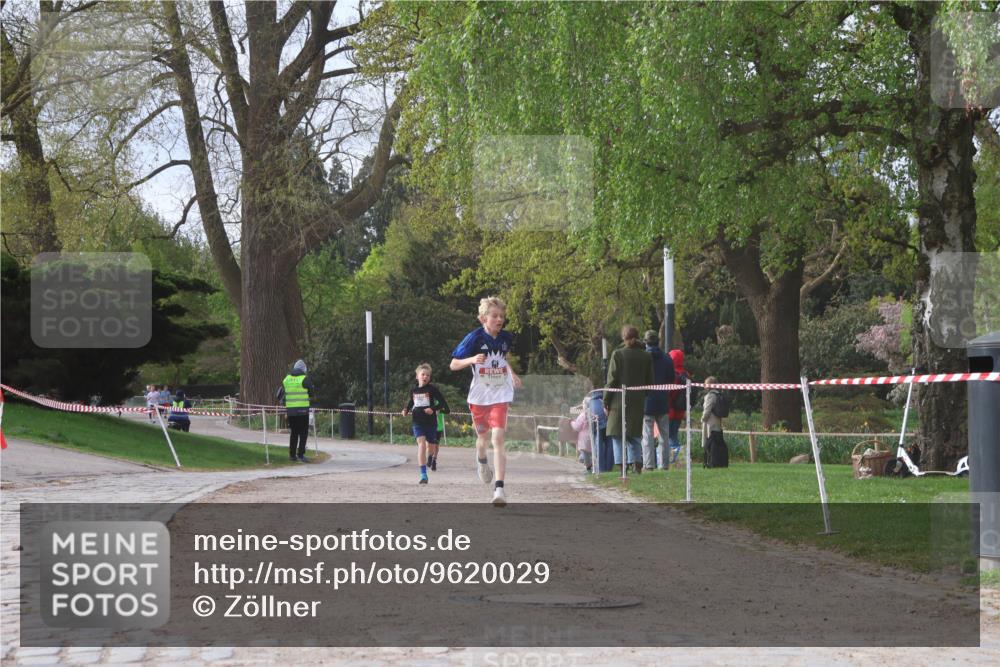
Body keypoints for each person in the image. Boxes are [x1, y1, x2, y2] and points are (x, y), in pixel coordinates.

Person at [450, 296, 523, 507]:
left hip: (500, 395)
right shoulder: (473, 338)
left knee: (498, 438)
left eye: (502, 316)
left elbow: (500, 359)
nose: (499, 320)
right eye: (495, 316)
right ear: (483, 318)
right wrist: (472, 359)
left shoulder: (506, 338)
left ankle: (499, 488)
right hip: (480, 397)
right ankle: (481, 460)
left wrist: (511, 373)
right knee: (482, 438)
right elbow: (453, 364)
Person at [604, 325, 653, 473]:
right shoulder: (646, 356)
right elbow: (650, 381)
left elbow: (612, 380)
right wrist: (642, 395)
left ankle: (621, 467)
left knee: (617, 435)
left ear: (623, 338)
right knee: (634, 435)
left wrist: (606, 401)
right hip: (638, 400)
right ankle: (637, 465)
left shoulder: (618, 354)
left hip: (618, 400)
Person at [402, 363, 449, 484]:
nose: (425, 377)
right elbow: (411, 403)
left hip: (431, 423)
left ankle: (430, 457)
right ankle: (423, 475)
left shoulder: (432, 389)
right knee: (421, 445)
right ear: (417, 376)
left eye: (428, 375)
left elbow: (442, 403)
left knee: (431, 447)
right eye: (423, 374)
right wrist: (406, 410)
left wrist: (432, 409)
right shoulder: (414, 390)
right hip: (417, 421)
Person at [641, 330, 675, 471]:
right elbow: (671, 378)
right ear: (658, 341)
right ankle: (664, 464)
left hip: (647, 401)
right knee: (664, 435)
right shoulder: (667, 358)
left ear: (645, 342)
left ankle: (649, 464)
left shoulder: (642, 358)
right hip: (662, 400)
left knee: (647, 435)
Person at [275, 359, 315, 462]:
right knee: (303, 433)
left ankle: (292, 455)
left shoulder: (286, 379)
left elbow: (280, 394)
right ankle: (301, 455)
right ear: (304, 369)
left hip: (291, 411)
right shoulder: (304, 379)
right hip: (302, 410)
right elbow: (311, 393)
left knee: (294, 432)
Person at [667, 349, 692, 464]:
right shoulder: (686, 374)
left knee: (670, 436)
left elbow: (670, 392)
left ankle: (675, 458)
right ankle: (675, 458)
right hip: (680, 411)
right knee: (674, 434)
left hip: (670, 409)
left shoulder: (673, 374)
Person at [701, 376, 729, 468]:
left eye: (706, 383)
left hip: (710, 422)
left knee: (710, 442)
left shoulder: (710, 396)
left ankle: (711, 461)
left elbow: (707, 410)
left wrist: (702, 419)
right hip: (717, 421)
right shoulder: (718, 394)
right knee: (717, 442)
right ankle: (717, 461)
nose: (704, 385)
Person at [588, 389, 611, 472]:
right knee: (609, 446)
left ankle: (600, 468)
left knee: (598, 446)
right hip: (608, 423)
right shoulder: (606, 399)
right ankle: (608, 467)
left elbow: (589, 415)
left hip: (597, 425)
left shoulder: (591, 401)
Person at [570, 398, 593, 473]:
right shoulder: (593, 414)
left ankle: (588, 468)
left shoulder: (582, 415)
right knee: (589, 454)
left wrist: (572, 422)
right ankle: (590, 466)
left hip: (584, 438)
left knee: (584, 454)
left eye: (583, 404)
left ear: (585, 405)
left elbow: (577, 427)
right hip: (592, 437)